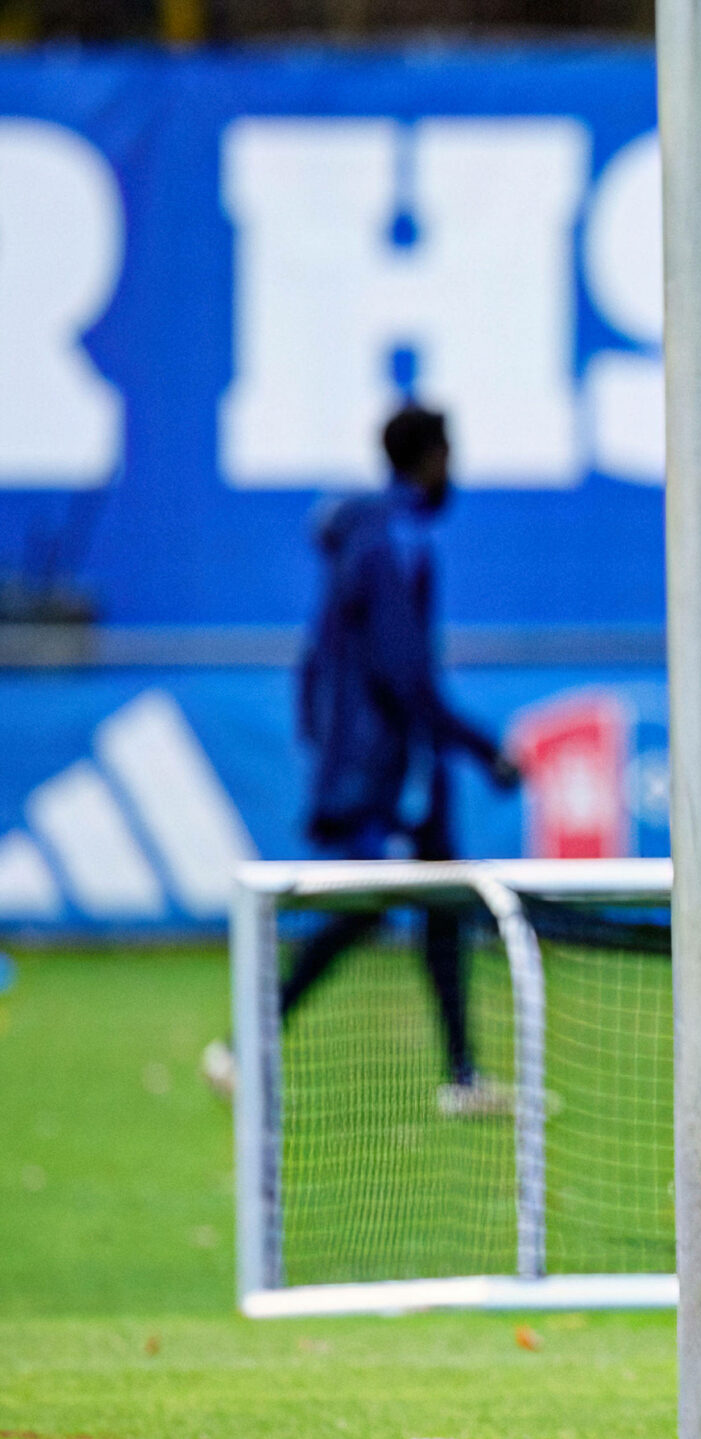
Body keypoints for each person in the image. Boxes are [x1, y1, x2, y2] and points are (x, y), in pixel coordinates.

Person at [278, 402, 519, 1116]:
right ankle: (244, 1041)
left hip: (378, 760)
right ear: (433, 456)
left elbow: (319, 665)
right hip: (392, 768)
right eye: (452, 451)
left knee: (438, 902)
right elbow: (404, 674)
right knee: (369, 905)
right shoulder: (396, 542)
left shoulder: (362, 537)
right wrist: (483, 749)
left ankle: (463, 1074)